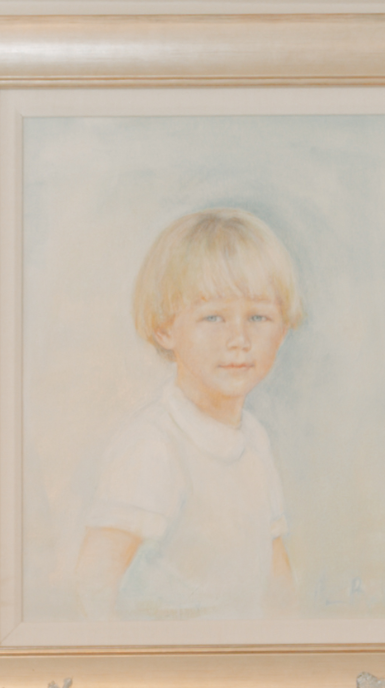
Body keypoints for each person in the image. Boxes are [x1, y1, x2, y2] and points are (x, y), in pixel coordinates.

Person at [75, 208, 301, 619]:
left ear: (283, 330)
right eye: (213, 317)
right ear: (165, 328)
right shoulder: (155, 445)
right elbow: (96, 581)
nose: (239, 339)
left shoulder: (254, 441)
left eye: (258, 317)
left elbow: (276, 575)